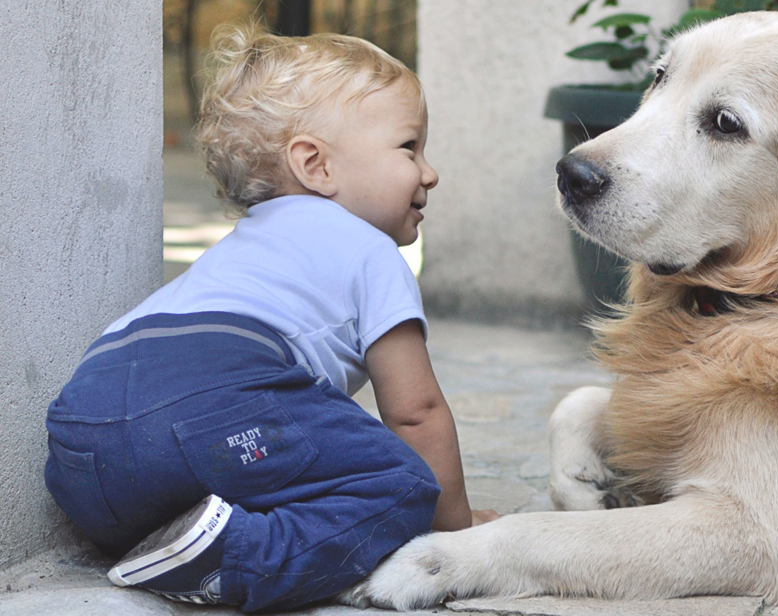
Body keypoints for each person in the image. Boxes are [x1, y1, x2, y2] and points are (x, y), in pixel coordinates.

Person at [43, 23, 496, 612]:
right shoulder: (369, 249)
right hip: (210, 399)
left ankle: (177, 537)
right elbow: (416, 412)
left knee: (279, 452)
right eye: (410, 148)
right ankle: (234, 559)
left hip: (82, 438)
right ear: (315, 165)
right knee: (403, 484)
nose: (429, 172)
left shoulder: (239, 250)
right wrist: (456, 530)